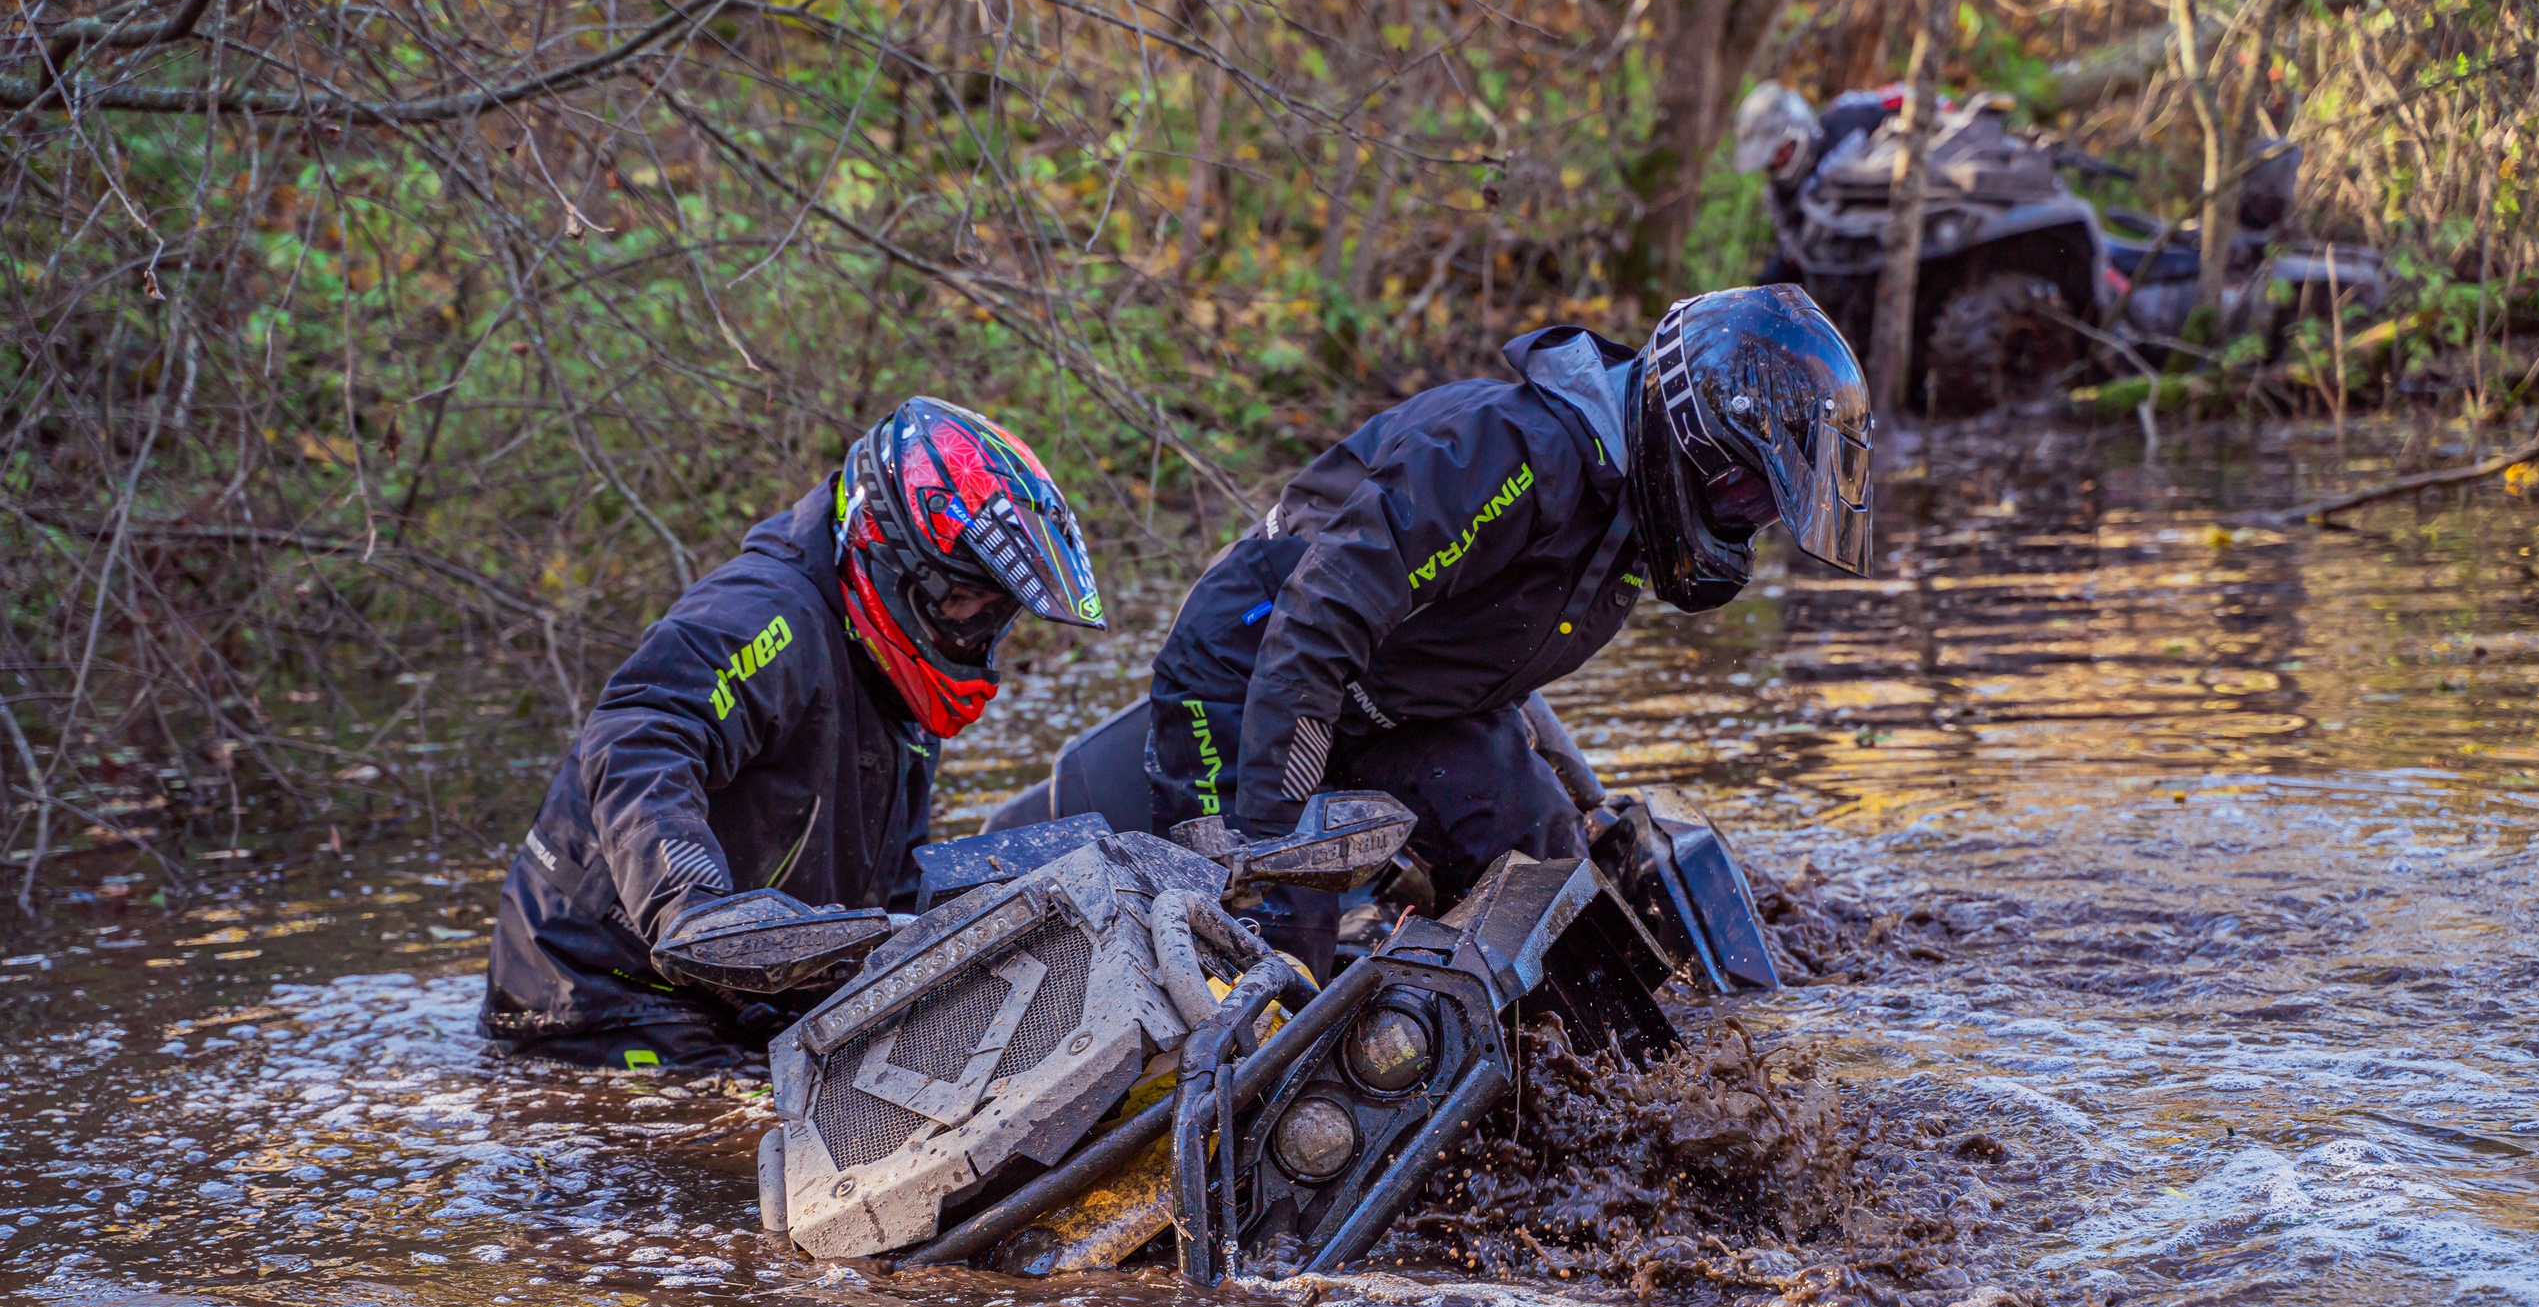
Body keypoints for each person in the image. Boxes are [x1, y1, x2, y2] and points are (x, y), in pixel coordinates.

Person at [1144, 284, 1874, 978]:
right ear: (1698, 438)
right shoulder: (1514, 454)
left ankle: (1530, 1080)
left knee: (1546, 876)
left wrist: (1590, 809)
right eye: (1752, 493)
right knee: (1283, 958)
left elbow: (1498, 663)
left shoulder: (1618, 520)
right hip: (1247, 680)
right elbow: (1317, 617)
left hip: (1390, 703)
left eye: (1770, 509)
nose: (1753, 518)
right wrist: (1279, 843)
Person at [479, 399, 1105, 1070]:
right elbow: (640, 732)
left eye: (993, 613)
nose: (976, 630)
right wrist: (692, 905)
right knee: (752, 1152)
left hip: (739, 991)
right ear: (895, 563)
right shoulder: (769, 612)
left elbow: (882, 890)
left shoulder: (895, 679)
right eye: (963, 603)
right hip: (598, 995)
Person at [1733, 82, 1901, 283]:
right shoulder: (1782, 197)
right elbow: (1794, 256)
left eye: (1780, 151)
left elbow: (1903, 98)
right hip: (1851, 276)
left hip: (1909, 219)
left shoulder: (1845, 116)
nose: (1775, 162)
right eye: (1768, 159)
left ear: (1799, 131)